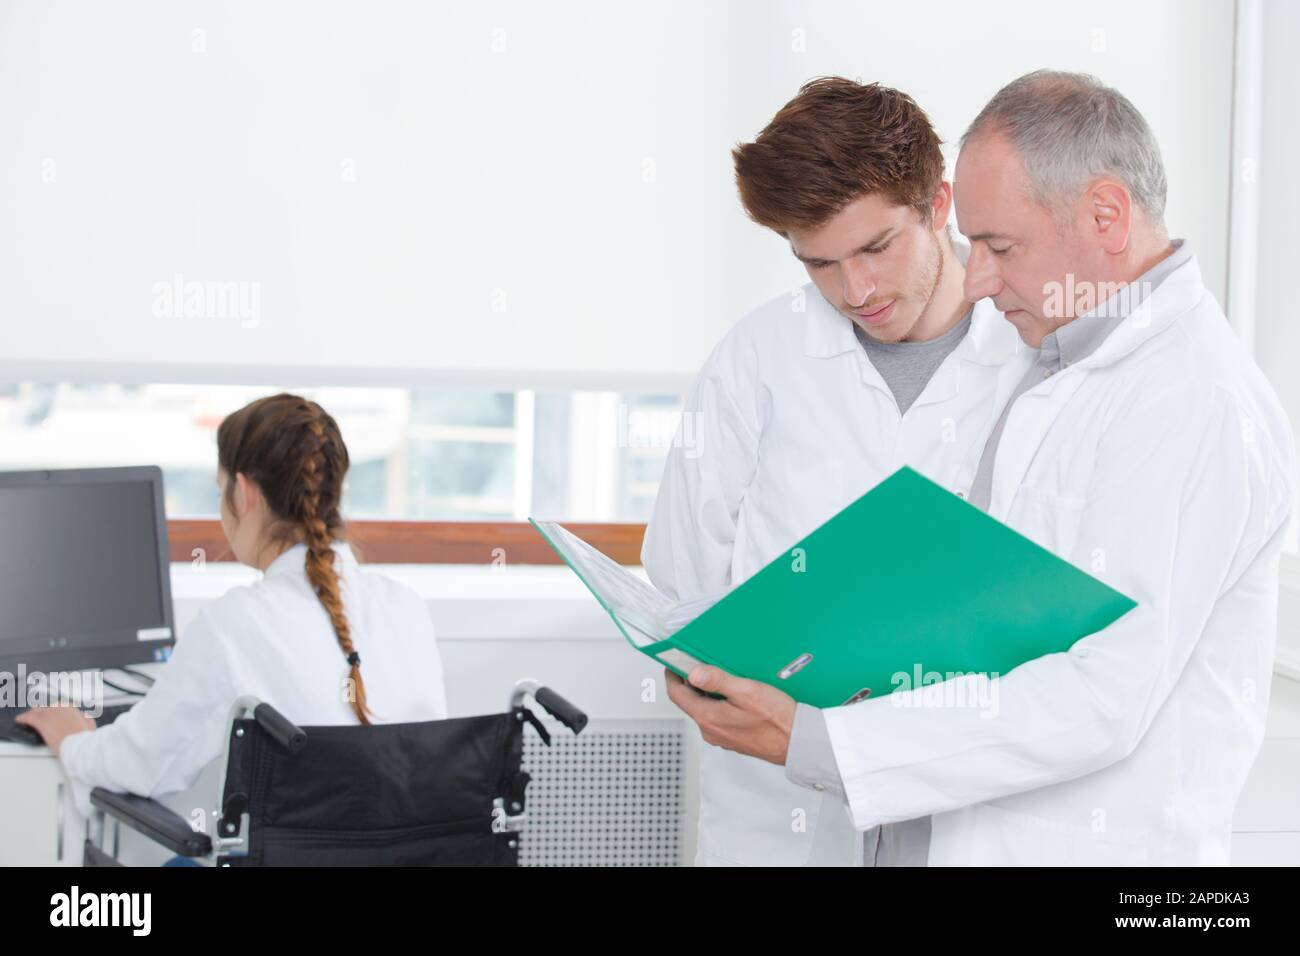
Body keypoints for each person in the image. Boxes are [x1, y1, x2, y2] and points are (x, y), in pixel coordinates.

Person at [664, 70, 1296, 865]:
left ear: (1106, 215)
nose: (983, 280)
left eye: (997, 246)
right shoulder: (1071, 366)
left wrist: (822, 739)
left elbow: (1101, 694)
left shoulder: (1192, 400)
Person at [644, 77, 1026, 866]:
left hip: (962, 787)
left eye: (876, 248)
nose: (855, 291)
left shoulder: (1030, 356)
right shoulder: (757, 355)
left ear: (938, 203)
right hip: (775, 803)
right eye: (818, 263)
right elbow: (681, 573)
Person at [18, 393, 449, 830]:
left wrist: (73, 739)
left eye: (219, 488)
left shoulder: (233, 624)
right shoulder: (407, 608)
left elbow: (141, 765)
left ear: (242, 493)